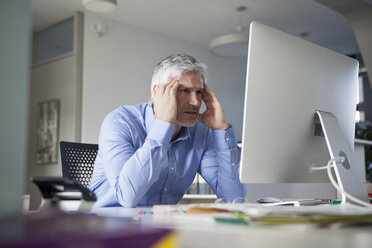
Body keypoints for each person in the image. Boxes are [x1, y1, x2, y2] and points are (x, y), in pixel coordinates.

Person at [89, 54, 246, 208]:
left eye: (199, 92)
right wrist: (163, 125)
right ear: (158, 92)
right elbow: (127, 198)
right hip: (107, 224)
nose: (196, 102)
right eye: (184, 90)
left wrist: (221, 129)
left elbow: (234, 198)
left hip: (159, 225)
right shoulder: (120, 122)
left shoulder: (200, 133)